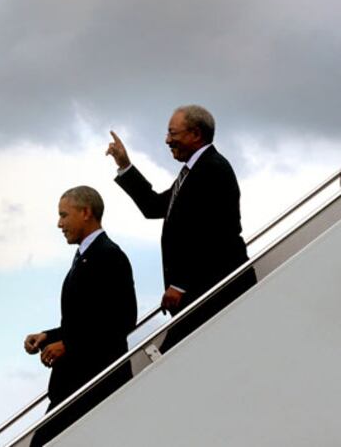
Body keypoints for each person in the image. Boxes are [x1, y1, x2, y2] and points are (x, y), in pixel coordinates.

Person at [106, 104, 255, 352]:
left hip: (212, 289)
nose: (167, 140)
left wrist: (181, 284)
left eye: (173, 134)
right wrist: (125, 165)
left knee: (168, 361)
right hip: (199, 291)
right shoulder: (193, 172)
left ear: (196, 134)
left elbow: (215, 233)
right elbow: (153, 206)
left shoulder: (212, 169)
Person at [24, 186, 137, 446]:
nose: (59, 223)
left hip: (94, 384)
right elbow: (86, 321)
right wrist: (47, 336)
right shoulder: (86, 257)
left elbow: (122, 319)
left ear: (86, 212)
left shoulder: (109, 256)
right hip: (74, 385)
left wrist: (68, 345)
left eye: (64, 215)